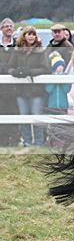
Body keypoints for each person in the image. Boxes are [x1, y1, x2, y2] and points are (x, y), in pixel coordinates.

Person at [8, 25, 49, 146]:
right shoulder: (17, 51)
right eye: (29, 34)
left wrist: (30, 72)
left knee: (36, 116)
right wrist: (15, 72)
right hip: (21, 90)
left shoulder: (40, 51)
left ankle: (38, 142)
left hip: (36, 90)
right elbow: (10, 67)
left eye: (33, 34)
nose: (31, 36)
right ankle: (27, 141)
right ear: (24, 36)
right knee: (23, 117)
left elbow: (45, 68)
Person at [0, 18, 20, 146]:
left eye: (10, 26)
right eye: (5, 26)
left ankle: (14, 141)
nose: (8, 28)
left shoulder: (18, 45)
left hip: (14, 87)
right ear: (1, 29)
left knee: (13, 112)